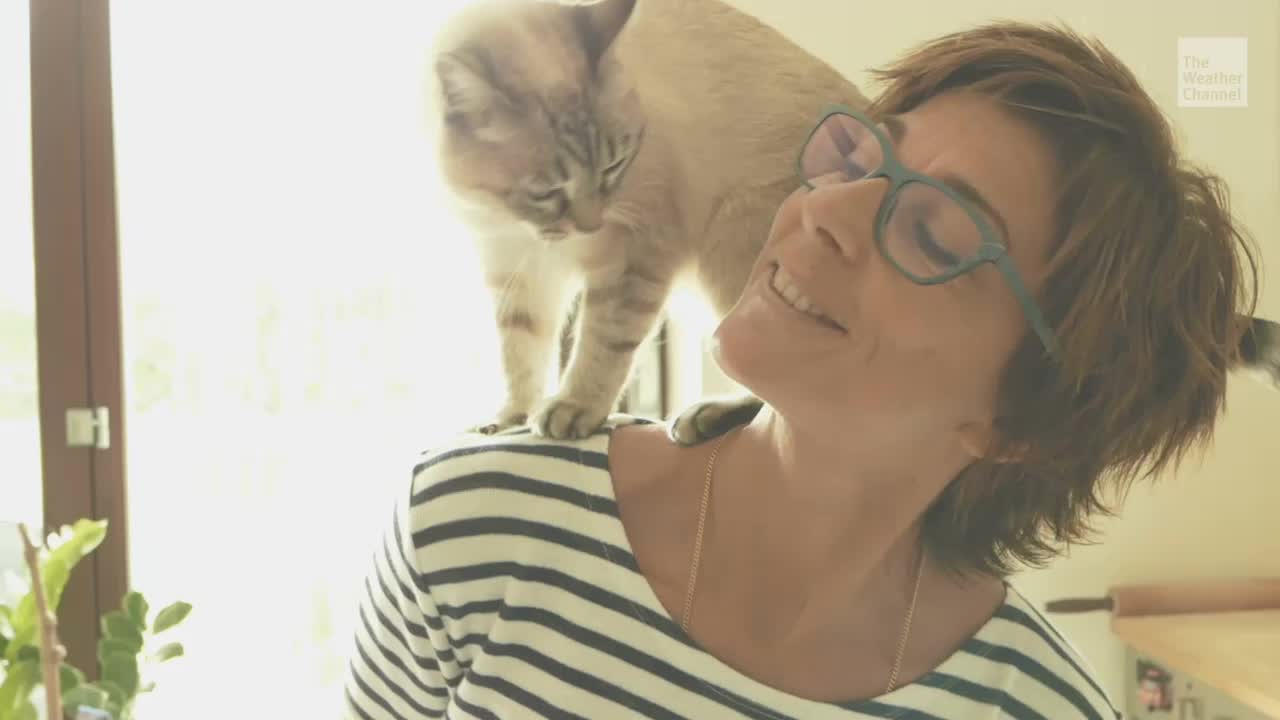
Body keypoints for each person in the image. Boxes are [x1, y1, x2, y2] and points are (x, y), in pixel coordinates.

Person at [343, 19, 1261, 720]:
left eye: (934, 230)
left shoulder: (1038, 704)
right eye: (863, 155)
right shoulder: (473, 526)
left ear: (1020, 421)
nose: (826, 212)